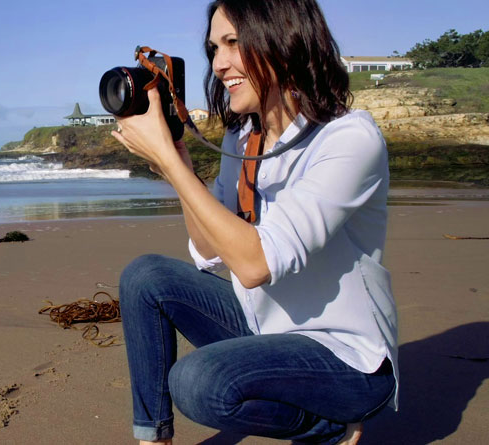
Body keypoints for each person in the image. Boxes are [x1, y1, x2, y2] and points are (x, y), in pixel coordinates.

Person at [110, 1, 399, 444]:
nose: (220, 64)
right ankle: (153, 438)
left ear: (284, 39)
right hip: (265, 327)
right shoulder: (242, 138)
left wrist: (169, 163)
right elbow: (208, 250)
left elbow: (254, 265)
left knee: (197, 381)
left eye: (234, 43)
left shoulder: (348, 139)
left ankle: (330, 425)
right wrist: (180, 160)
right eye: (213, 48)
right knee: (145, 276)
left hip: (344, 358)